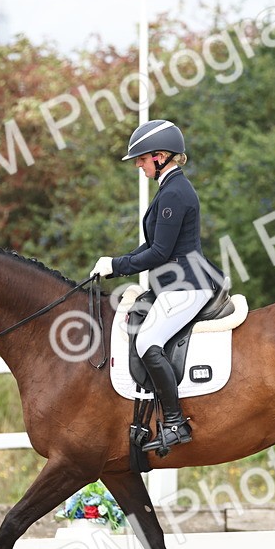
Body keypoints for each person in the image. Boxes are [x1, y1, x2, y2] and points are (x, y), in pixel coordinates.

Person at [91, 120, 221, 451]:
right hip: (174, 284)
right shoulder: (170, 188)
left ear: (160, 156)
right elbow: (151, 246)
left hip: (187, 285)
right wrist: (115, 264)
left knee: (147, 341)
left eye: (142, 158)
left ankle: (176, 422)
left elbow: (160, 253)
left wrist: (117, 265)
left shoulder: (175, 193)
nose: (139, 165)